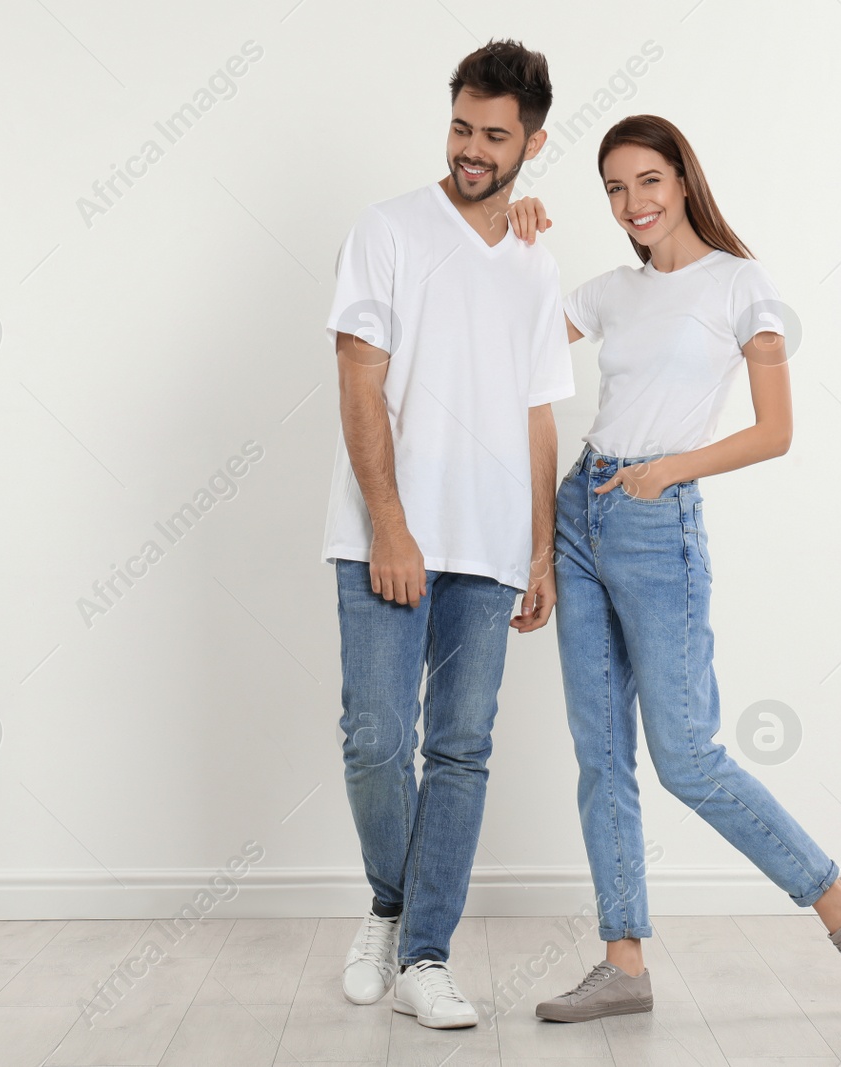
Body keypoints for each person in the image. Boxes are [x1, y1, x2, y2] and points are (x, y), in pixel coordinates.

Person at [502, 114, 841, 1022]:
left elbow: (775, 430)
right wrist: (513, 231)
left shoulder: (741, 286)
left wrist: (669, 471)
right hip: (578, 512)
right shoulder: (608, 291)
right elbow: (508, 335)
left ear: (683, 180)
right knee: (601, 754)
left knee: (685, 757)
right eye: (613, 188)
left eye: (647, 181)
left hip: (657, 522)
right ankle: (624, 962)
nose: (631, 203)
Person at [322, 39, 573, 1029]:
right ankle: (392, 898)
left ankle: (424, 951)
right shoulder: (384, 230)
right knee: (376, 740)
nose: (472, 149)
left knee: (461, 750)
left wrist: (542, 549)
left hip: (491, 541)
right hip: (382, 534)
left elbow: (539, 412)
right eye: (462, 127)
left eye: (495, 136)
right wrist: (391, 524)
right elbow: (358, 376)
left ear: (533, 143)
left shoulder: (532, 258)